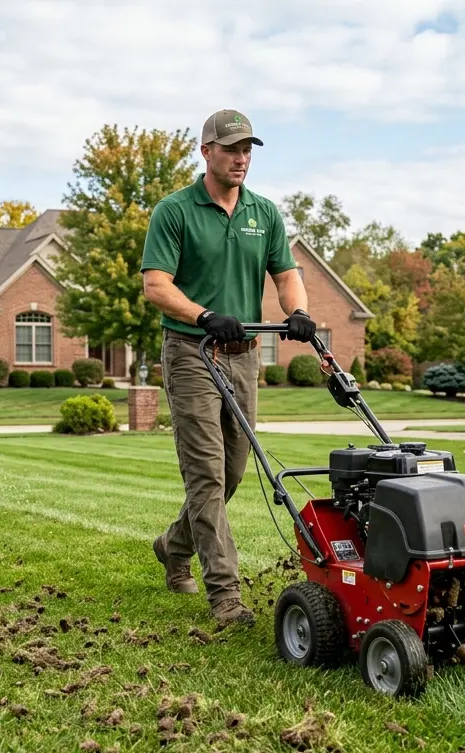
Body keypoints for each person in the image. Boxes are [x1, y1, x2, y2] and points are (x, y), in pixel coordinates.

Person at [141, 109, 316, 628]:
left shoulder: (264, 212)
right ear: (206, 152)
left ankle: (173, 546)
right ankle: (225, 596)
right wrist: (204, 315)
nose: (241, 158)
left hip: (244, 359)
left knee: (234, 472)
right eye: (232, 149)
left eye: (248, 150)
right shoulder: (175, 211)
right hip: (193, 353)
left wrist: (298, 312)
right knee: (206, 478)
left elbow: (286, 274)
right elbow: (156, 285)